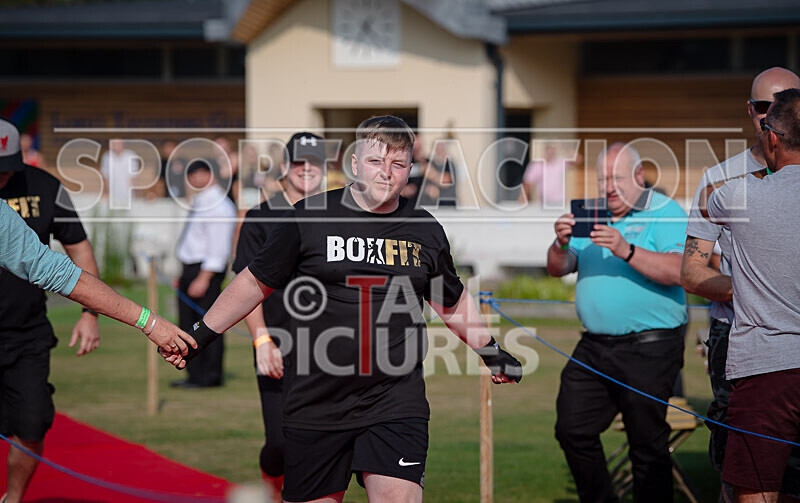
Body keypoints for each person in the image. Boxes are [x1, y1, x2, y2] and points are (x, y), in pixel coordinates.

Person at [164, 116, 522, 503]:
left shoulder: (424, 229)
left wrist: (491, 350)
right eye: (375, 161)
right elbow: (253, 283)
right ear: (354, 164)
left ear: (409, 170)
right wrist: (199, 336)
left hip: (394, 400)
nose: (386, 173)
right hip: (316, 402)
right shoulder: (309, 217)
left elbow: (450, 301)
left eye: (398, 164)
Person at [0, 196, 194, 502]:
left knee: (31, 423)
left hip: (26, 334)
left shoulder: (40, 191)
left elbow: (56, 269)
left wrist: (147, 322)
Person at [681, 67, 800, 499]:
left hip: (776, 351)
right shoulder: (722, 180)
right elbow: (692, 271)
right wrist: (749, 289)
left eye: (786, 103)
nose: (773, 112)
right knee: (741, 473)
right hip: (741, 340)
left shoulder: (732, 190)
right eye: (766, 105)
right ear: (752, 111)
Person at [547, 143, 688, 502]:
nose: (608, 187)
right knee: (572, 429)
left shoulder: (665, 211)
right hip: (595, 346)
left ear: (639, 176)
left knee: (647, 444)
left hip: (650, 347)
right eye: (602, 179)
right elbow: (558, 268)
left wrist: (626, 249)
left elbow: (680, 271)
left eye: (617, 178)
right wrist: (560, 244)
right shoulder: (592, 213)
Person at [0, 118, 102, 503]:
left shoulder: (45, 186)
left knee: (32, 425)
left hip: (27, 333)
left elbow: (78, 247)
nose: (3, 176)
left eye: (8, 167)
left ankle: (12, 498)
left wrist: (89, 314)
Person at [233, 131, 326, 500]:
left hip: (330, 348)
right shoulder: (261, 217)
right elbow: (245, 289)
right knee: (279, 443)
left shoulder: (338, 214)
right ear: (286, 166)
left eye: (315, 162)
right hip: (277, 345)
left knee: (322, 444)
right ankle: (274, 489)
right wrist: (261, 339)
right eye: (300, 162)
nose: (307, 169)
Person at [171, 160, 236, 389]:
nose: (195, 179)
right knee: (188, 324)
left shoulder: (219, 205)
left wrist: (204, 278)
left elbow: (218, 247)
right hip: (192, 268)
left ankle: (209, 375)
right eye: (192, 174)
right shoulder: (202, 200)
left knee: (208, 324)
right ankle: (195, 374)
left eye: (200, 173)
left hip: (205, 270)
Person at [100, 139, 140, 210]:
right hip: (113, 194)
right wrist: (106, 192)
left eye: (118, 144)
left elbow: (133, 178)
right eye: (114, 144)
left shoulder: (130, 155)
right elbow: (106, 177)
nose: (116, 146)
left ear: (123, 144)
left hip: (128, 194)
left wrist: (137, 194)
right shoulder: (107, 157)